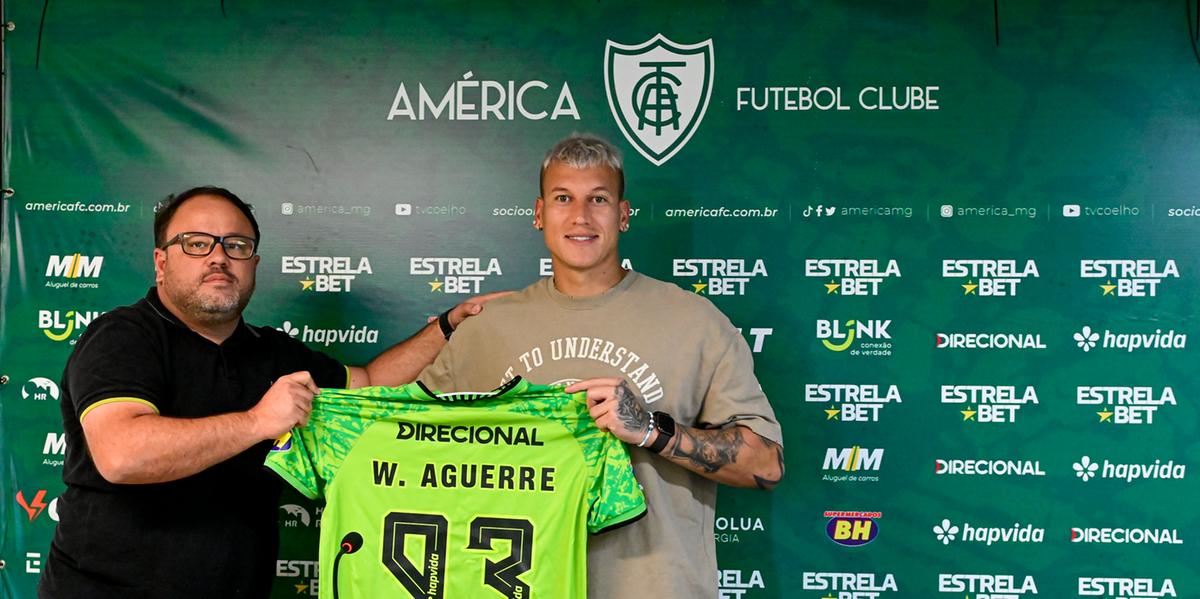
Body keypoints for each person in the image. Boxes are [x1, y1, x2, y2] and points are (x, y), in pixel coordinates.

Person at [39, 186, 499, 598]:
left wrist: (449, 325)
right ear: (161, 261)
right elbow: (123, 455)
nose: (219, 258)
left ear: (253, 265)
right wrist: (259, 421)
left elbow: (372, 385)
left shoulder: (270, 352)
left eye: (236, 246)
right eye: (197, 244)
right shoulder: (123, 336)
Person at [418, 134, 785, 598]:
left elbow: (766, 464)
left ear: (624, 215)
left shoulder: (695, 322)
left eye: (599, 199)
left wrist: (652, 429)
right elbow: (414, 449)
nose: (580, 217)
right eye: (563, 198)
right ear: (538, 213)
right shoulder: (487, 330)